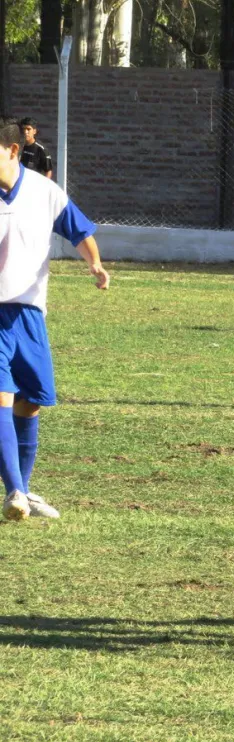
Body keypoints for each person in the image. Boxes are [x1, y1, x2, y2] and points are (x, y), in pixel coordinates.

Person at [0, 117, 110, 523]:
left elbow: (78, 229)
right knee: (0, 397)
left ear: (13, 151)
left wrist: (95, 264)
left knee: (31, 403)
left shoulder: (45, 192)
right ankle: (14, 490)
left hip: (29, 312)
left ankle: (22, 491)